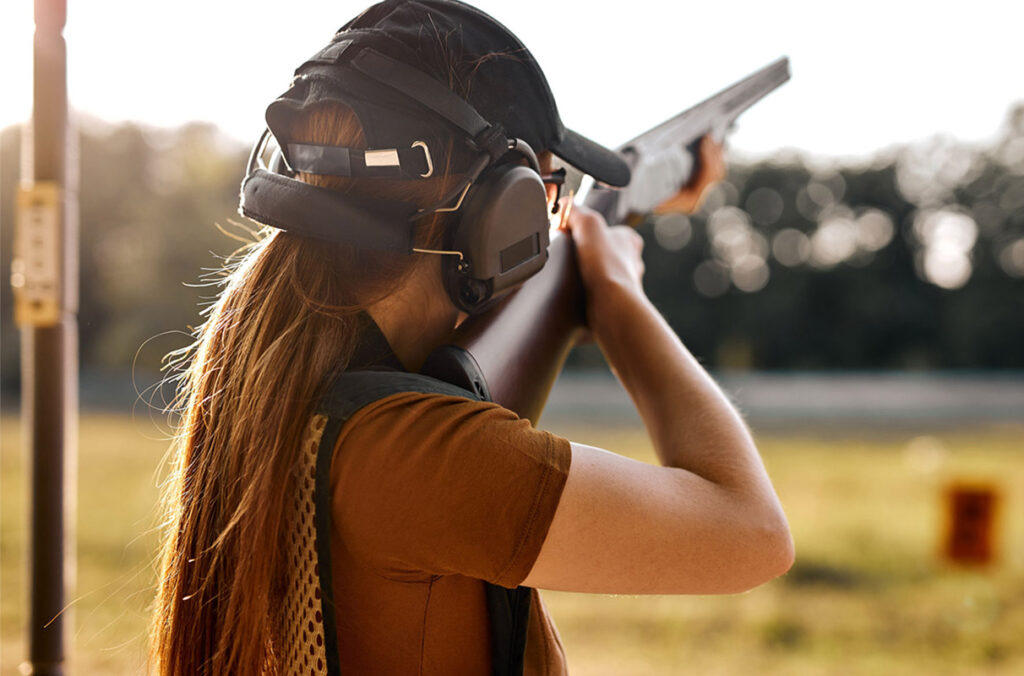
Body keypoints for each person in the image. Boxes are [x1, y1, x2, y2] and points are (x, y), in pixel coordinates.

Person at [150, 1, 793, 674]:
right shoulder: (415, 455)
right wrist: (621, 301)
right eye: (545, 196)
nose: (548, 226)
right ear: (501, 211)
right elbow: (753, 533)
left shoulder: (284, 393)